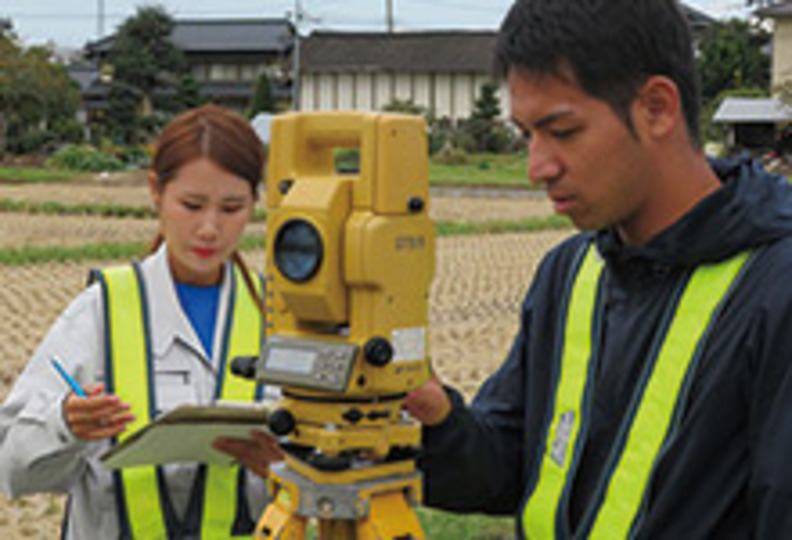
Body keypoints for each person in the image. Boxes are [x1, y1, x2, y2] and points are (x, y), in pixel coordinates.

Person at [404, 1, 792, 538]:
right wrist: (439, 424)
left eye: (562, 131)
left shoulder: (776, 286)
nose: (537, 167)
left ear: (657, 108)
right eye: (526, 135)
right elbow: (511, 466)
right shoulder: (570, 272)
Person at [0, 104, 282, 539]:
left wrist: (289, 470)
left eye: (231, 208)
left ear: (254, 204)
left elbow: (341, 469)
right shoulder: (102, 310)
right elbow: (12, 465)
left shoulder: (279, 317)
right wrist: (65, 424)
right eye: (191, 205)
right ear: (155, 191)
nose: (209, 228)